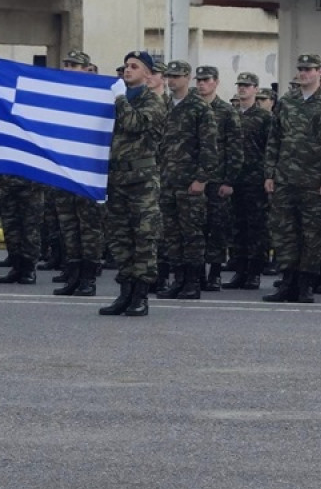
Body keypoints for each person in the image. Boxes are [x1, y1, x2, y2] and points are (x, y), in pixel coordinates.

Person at [263, 53, 321, 302]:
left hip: (315, 181)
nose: (304, 73)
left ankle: (305, 285)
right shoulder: (287, 101)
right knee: (285, 233)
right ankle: (286, 282)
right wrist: (270, 173)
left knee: (312, 235)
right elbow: (274, 140)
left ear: (320, 72)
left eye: (309, 69)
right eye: (301, 69)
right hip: (286, 179)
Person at [99, 51, 166, 316]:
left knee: (143, 238)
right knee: (120, 238)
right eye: (126, 66)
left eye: (134, 66)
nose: (127, 70)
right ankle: (124, 293)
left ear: (147, 73)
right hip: (116, 179)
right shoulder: (116, 99)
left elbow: (134, 123)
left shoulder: (154, 101)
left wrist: (118, 99)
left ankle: (140, 296)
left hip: (142, 181)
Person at [156, 60, 218, 300]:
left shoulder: (199, 108)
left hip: (189, 182)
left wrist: (201, 178)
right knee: (171, 233)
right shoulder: (165, 105)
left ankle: (193, 282)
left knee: (191, 233)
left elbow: (209, 147)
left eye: (177, 76)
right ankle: (178, 279)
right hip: (167, 180)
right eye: (169, 76)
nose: (171, 80)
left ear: (187, 78)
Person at [51, 51, 108, 297]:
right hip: (64, 172)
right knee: (68, 226)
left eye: (74, 65)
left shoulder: (99, 96)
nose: (69, 68)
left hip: (88, 171)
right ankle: (72, 275)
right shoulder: (56, 96)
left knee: (89, 228)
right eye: (66, 64)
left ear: (87, 69)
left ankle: (88, 278)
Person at [194, 65, 243, 291]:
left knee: (216, 227)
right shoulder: (190, 107)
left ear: (215, 82)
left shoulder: (226, 111)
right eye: (199, 80)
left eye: (206, 80)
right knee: (194, 227)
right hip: (193, 177)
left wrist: (229, 180)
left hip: (217, 178)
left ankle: (213, 272)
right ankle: (195, 273)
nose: (201, 84)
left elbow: (235, 148)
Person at [225, 72, 272, 290]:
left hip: (255, 180)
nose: (243, 89)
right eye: (240, 85)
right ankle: (240, 270)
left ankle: (254, 272)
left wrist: (268, 175)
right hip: (234, 179)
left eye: (247, 85)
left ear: (256, 89)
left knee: (256, 227)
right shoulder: (231, 115)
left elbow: (269, 149)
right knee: (237, 226)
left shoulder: (264, 118)